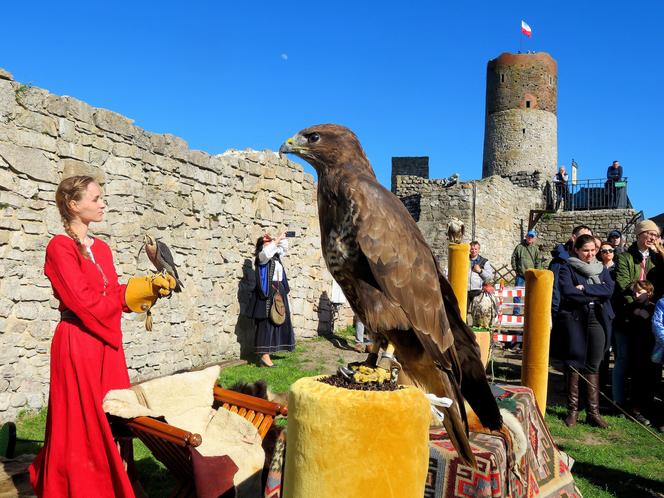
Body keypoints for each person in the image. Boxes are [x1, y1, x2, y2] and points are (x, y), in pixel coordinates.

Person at [29, 175, 176, 497]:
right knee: (81, 420)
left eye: (101, 198)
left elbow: (111, 293)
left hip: (107, 345)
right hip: (78, 343)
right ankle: (81, 483)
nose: (102, 203)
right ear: (73, 204)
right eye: (95, 198)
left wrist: (147, 288)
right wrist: (128, 295)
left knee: (113, 412)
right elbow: (81, 301)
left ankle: (118, 476)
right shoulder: (60, 247)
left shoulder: (103, 249)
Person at [555, 234, 614, 428]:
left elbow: (609, 290)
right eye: (585, 250)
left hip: (597, 318)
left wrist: (585, 289)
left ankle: (593, 413)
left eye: (592, 250)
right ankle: (572, 410)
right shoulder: (567, 267)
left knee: (593, 364)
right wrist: (593, 291)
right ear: (577, 251)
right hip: (575, 319)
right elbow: (568, 291)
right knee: (574, 362)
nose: (590, 254)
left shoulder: (601, 269)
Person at [613, 219, 663, 412]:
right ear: (639, 234)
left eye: (656, 235)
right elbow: (623, 283)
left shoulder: (656, 257)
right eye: (649, 234)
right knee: (626, 359)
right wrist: (637, 300)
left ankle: (645, 402)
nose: (652, 238)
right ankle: (621, 401)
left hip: (651, 315)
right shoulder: (625, 257)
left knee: (648, 362)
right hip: (629, 314)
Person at [248, 232, 295, 367]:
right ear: (261, 246)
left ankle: (269, 351)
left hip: (278, 290)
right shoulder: (262, 256)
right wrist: (276, 240)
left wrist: (278, 238)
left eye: (269, 241)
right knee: (265, 324)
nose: (269, 242)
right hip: (266, 293)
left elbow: (283, 247)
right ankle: (264, 355)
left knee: (278, 319)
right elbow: (267, 252)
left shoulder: (276, 256)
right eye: (265, 241)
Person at [549, 225, 593, 321]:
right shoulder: (560, 261)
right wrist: (556, 314)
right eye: (582, 237)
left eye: (589, 238)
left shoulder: (590, 260)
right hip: (565, 313)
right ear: (573, 238)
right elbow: (555, 289)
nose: (586, 241)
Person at [511, 229, 542, 315]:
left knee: (531, 294)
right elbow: (513, 258)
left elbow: (538, 261)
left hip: (531, 275)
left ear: (534, 238)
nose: (530, 238)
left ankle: (529, 311)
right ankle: (516, 312)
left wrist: (537, 273)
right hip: (520, 275)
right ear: (526, 236)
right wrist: (516, 269)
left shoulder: (535, 249)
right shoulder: (519, 247)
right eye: (529, 236)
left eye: (532, 236)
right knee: (517, 294)